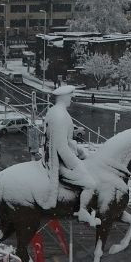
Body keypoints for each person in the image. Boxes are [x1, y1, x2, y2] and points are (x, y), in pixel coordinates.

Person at [41, 85, 99, 226]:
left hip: (52, 157)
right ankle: (83, 212)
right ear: (63, 97)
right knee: (90, 184)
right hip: (58, 163)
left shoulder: (54, 112)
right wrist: (75, 164)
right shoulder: (61, 115)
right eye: (70, 97)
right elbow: (61, 147)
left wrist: (79, 152)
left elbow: (65, 142)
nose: (71, 100)